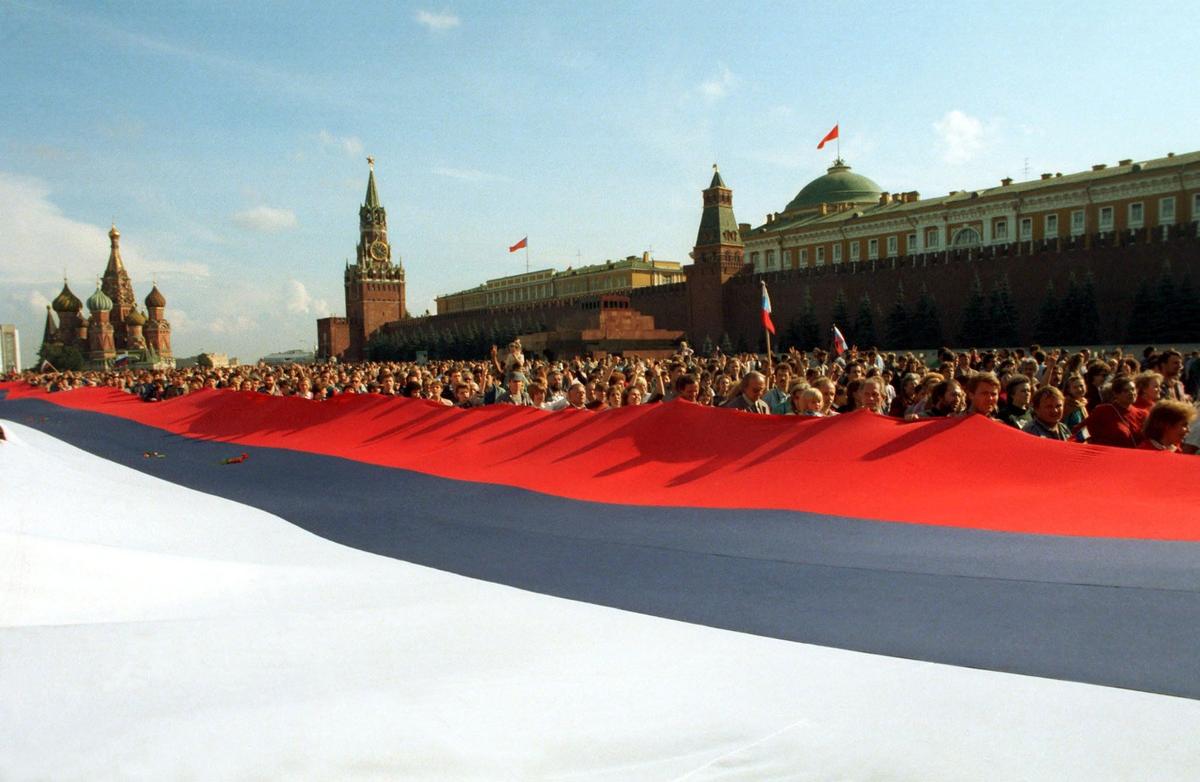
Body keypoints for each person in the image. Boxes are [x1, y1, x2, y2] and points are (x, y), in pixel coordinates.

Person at [1086, 375, 1146, 448]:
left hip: (1135, 457)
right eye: (1126, 391)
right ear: (1116, 394)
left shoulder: (1142, 414)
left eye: (1133, 389)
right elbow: (1083, 431)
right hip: (1108, 456)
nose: (1131, 393)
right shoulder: (1102, 411)